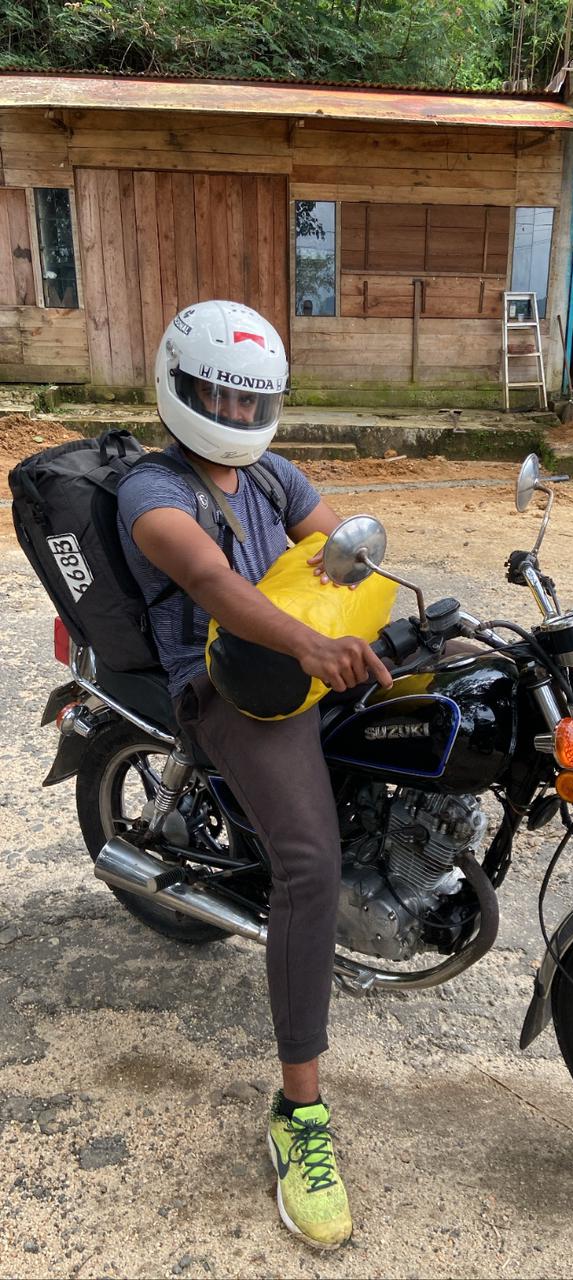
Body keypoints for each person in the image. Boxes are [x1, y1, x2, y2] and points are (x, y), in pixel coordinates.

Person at [116, 299, 392, 1250]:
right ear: (177, 388)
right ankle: (299, 1115)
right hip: (225, 685)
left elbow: (334, 547)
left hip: (301, 656)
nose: (235, 421)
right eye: (216, 400)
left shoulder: (271, 473)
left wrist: (407, 614)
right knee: (309, 867)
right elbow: (215, 586)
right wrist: (315, 644)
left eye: (251, 404)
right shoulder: (151, 492)